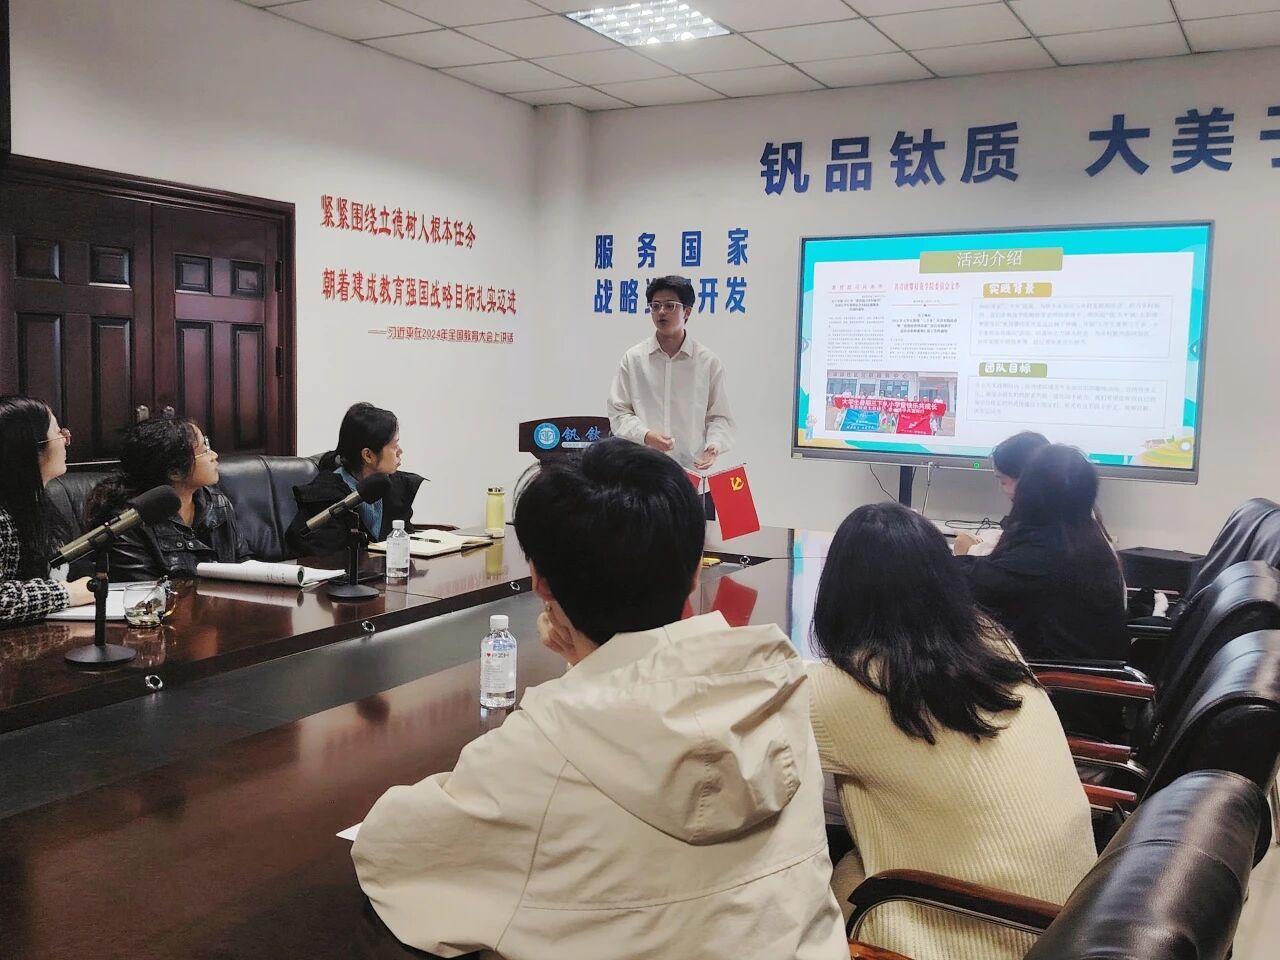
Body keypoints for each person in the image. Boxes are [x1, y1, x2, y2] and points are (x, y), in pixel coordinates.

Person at [352, 439, 846, 960]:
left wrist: (586, 668)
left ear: (539, 582)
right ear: (696, 572)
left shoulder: (543, 751)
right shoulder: (779, 689)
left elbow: (390, 852)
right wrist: (591, 666)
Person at [809, 502, 1096, 960]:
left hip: (979, 934)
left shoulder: (839, 687)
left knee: (802, 886)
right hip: (1071, 922)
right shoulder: (995, 643)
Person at [956, 444, 1127, 661]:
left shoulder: (1048, 550)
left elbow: (976, 580)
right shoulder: (1087, 538)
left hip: (1056, 676)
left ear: (1029, 493)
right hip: (1083, 668)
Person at [84, 417, 251, 581]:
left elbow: (243, 563)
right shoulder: (129, 521)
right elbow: (141, 590)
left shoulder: (217, 503)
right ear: (174, 472)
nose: (214, 455)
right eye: (203, 451)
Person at [607, 275, 735, 472]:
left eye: (670, 305)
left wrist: (714, 444)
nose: (661, 312)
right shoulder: (633, 359)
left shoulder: (707, 362)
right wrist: (645, 435)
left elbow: (719, 417)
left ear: (687, 312)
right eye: (655, 306)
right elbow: (619, 412)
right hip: (643, 470)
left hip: (690, 471)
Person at [286, 402, 425, 557]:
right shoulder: (327, 496)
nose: (400, 451)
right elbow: (329, 556)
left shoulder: (397, 487)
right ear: (368, 455)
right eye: (394, 446)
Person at [0, 396, 94, 624]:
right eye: (59, 433)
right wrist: (67, 593)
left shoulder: (36, 501)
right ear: (31, 449)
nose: (66, 440)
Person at [957, 431, 1049, 557]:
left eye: (1003, 481)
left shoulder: (1032, 538)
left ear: (1025, 479)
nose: (1001, 489)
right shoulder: (1064, 525)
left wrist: (966, 552)